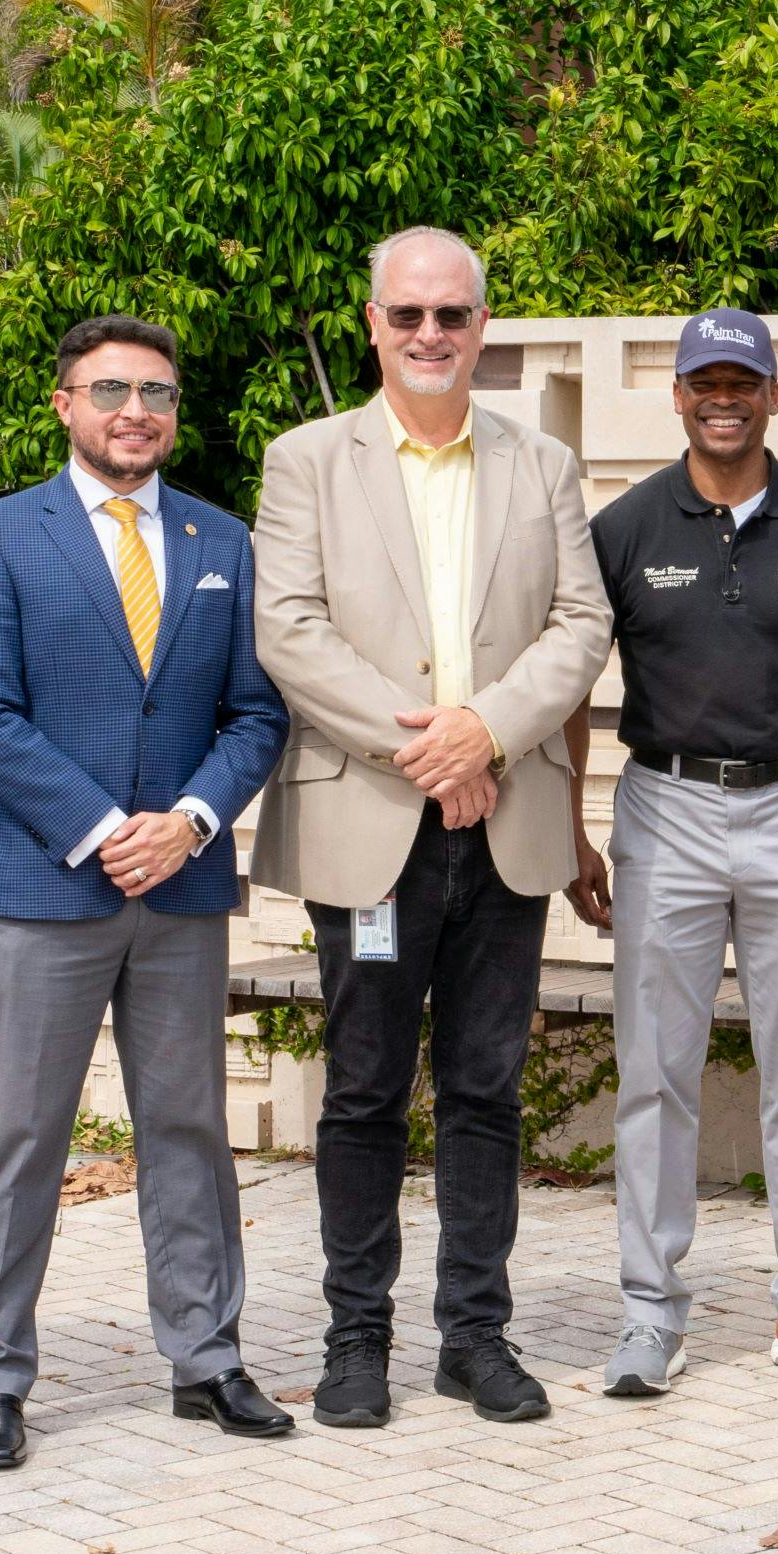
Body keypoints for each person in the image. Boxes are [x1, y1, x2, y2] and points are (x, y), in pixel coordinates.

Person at [250, 227, 613, 1430]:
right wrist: (429, 746)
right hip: (372, 824)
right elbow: (290, 630)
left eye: (450, 315)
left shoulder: (541, 465)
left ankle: (476, 1336)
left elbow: (579, 622)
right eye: (406, 315)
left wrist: (489, 734)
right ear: (371, 324)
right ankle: (357, 1339)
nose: (428, 336)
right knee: (360, 1090)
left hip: (502, 825)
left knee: (483, 1087)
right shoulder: (307, 459)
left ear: (481, 325)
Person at [0, 316, 292, 1468]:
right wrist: (101, 830)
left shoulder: (220, 539)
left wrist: (188, 821)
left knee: (188, 1128)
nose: (134, 410)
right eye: (109, 391)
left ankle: (207, 1358)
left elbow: (256, 711)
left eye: (155, 391)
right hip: (48, 887)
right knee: (23, 1133)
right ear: (65, 405)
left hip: (181, 887)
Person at [563, 308, 778, 1397]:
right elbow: (571, 686)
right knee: (652, 1073)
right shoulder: (622, 528)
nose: (725, 398)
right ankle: (647, 1316)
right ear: (676, 395)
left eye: (743, 381)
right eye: (704, 381)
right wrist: (570, 823)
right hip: (661, 810)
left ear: (770, 395)